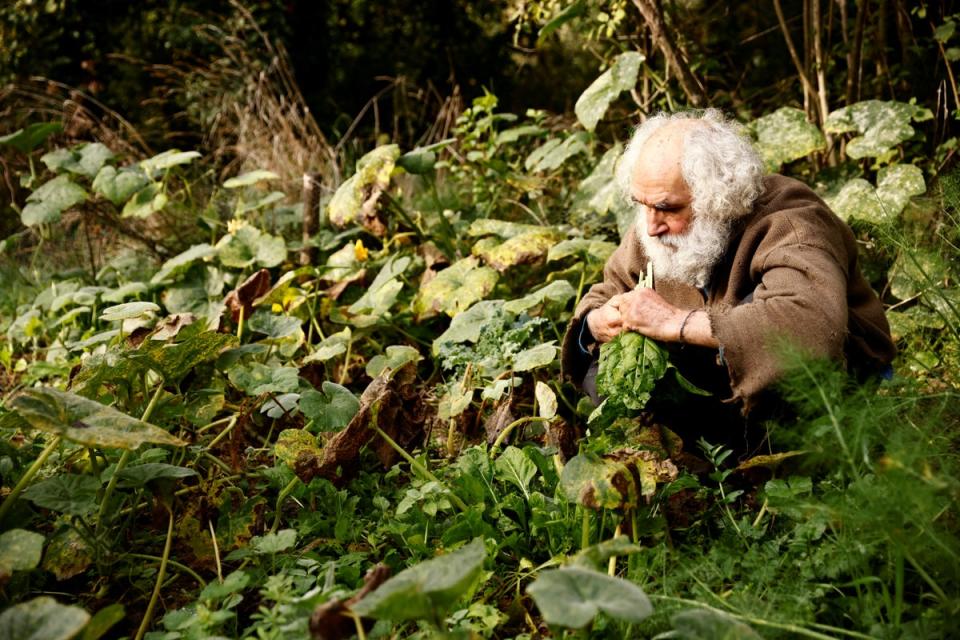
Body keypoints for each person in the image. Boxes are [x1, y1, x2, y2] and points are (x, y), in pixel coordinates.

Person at [561, 109, 896, 444]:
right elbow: (607, 290)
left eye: (668, 207)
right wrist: (597, 320)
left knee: (771, 344)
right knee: (602, 365)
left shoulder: (791, 222)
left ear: (717, 200)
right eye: (642, 205)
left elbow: (810, 326)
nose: (650, 225)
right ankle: (689, 451)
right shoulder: (652, 228)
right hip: (713, 398)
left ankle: (747, 454)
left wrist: (674, 322)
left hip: (819, 406)